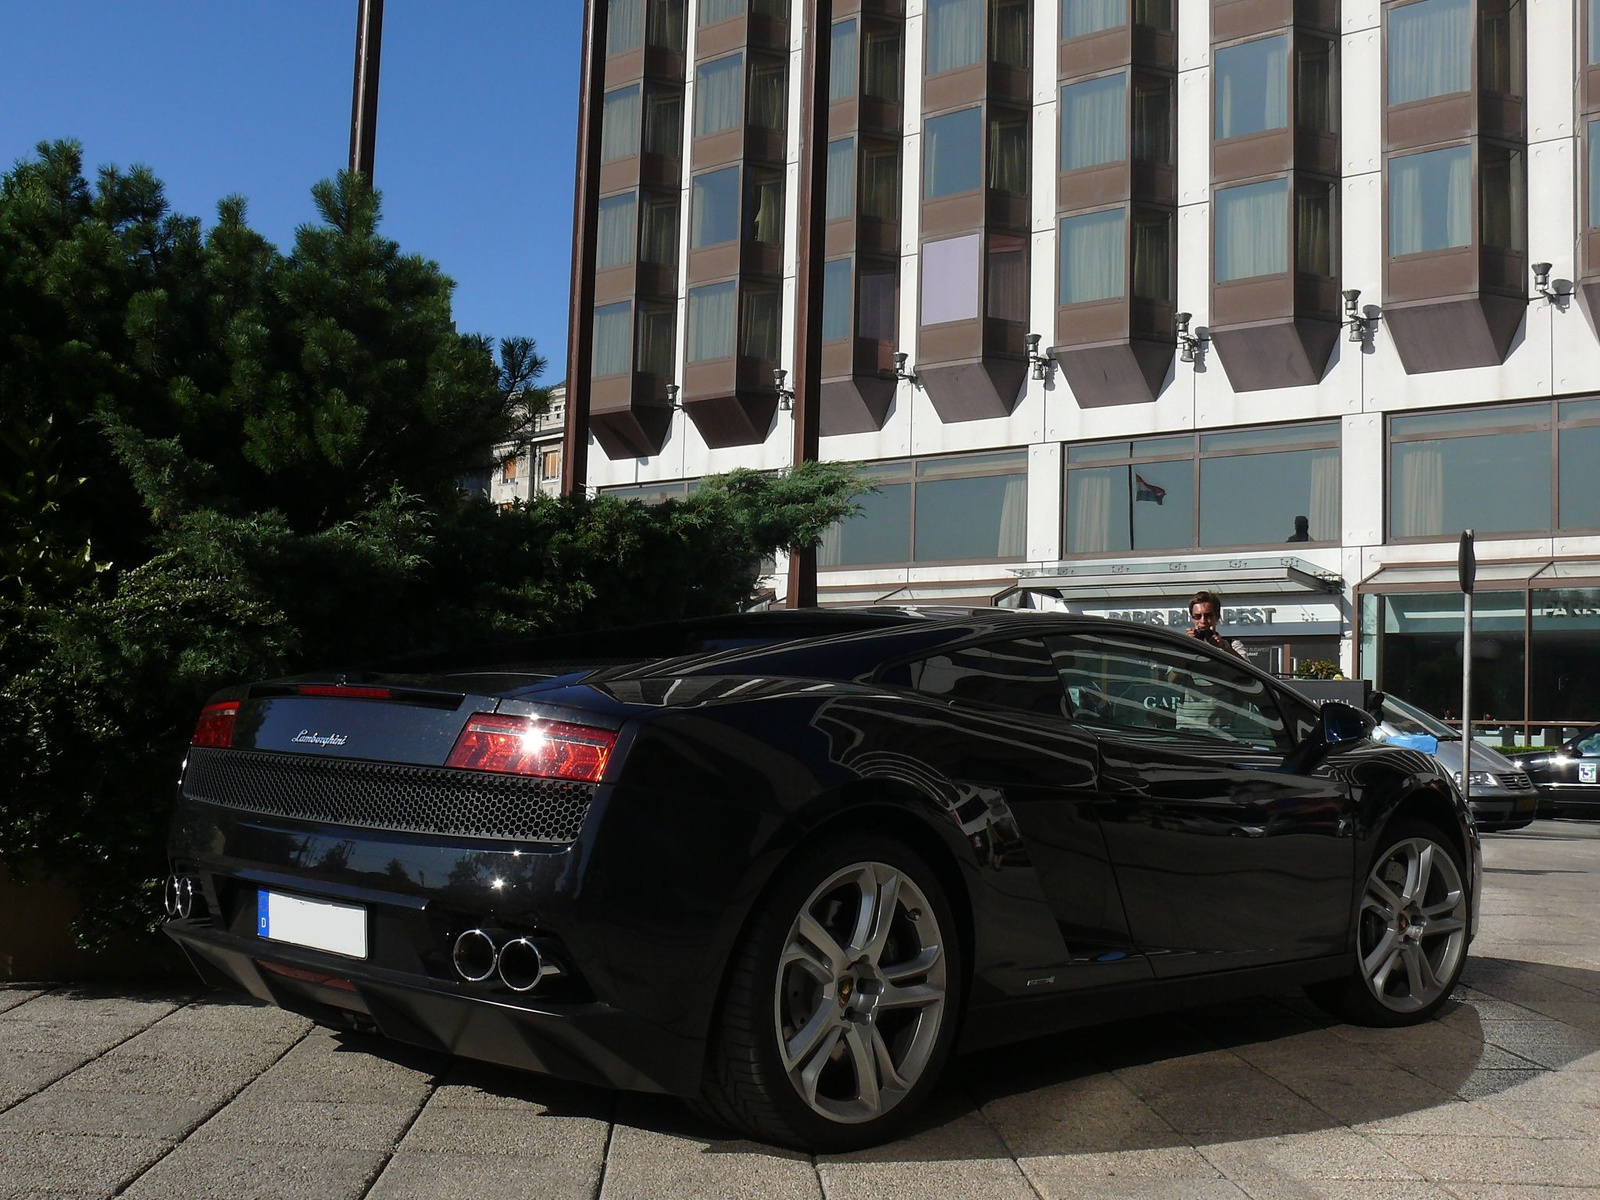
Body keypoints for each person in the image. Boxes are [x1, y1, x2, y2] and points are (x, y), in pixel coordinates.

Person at [1186, 590, 1247, 658]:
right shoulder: (1182, 644)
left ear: (1217, 617)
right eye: (1197, 616)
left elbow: (1247, 667)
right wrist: (1188, 643)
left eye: (1208, 616)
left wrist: (1224, 647)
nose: (1203, 621)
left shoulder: (1232, 644)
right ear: (1192, 618)